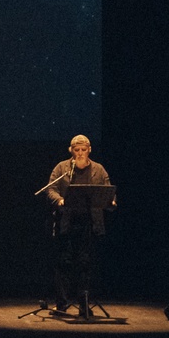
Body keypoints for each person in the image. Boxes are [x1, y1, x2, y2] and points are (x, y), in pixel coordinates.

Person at [46, 134, 115, 316]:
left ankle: (84, 304)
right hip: (66, 222)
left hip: (89, 224)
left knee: (85, 263)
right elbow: (51, 188)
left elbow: (107, 189)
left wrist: (111, 201)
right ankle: (62, 304)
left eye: (84, 149)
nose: (80, 153)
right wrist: (59, 200)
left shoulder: (98, 169)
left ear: (89, 150)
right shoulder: (62, 168)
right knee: (64, 262)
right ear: (71, 150)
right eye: (77, 150)